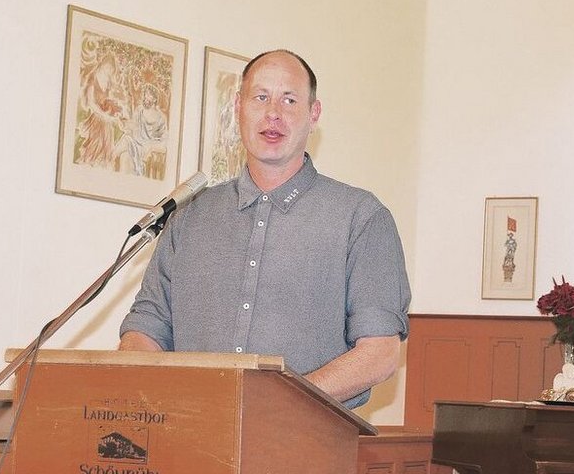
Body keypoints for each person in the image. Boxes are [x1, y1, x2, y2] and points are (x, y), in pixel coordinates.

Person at [118, 49, 410, 409]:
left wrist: (276, 405)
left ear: (313, 114)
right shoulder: (190, 217)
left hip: (305, 446)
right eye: (261, 97)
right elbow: (147, 328)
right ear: (239, 107)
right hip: (192, 439)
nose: (273, 113)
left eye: (289, 99)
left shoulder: (361, 218)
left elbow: (379, 353)